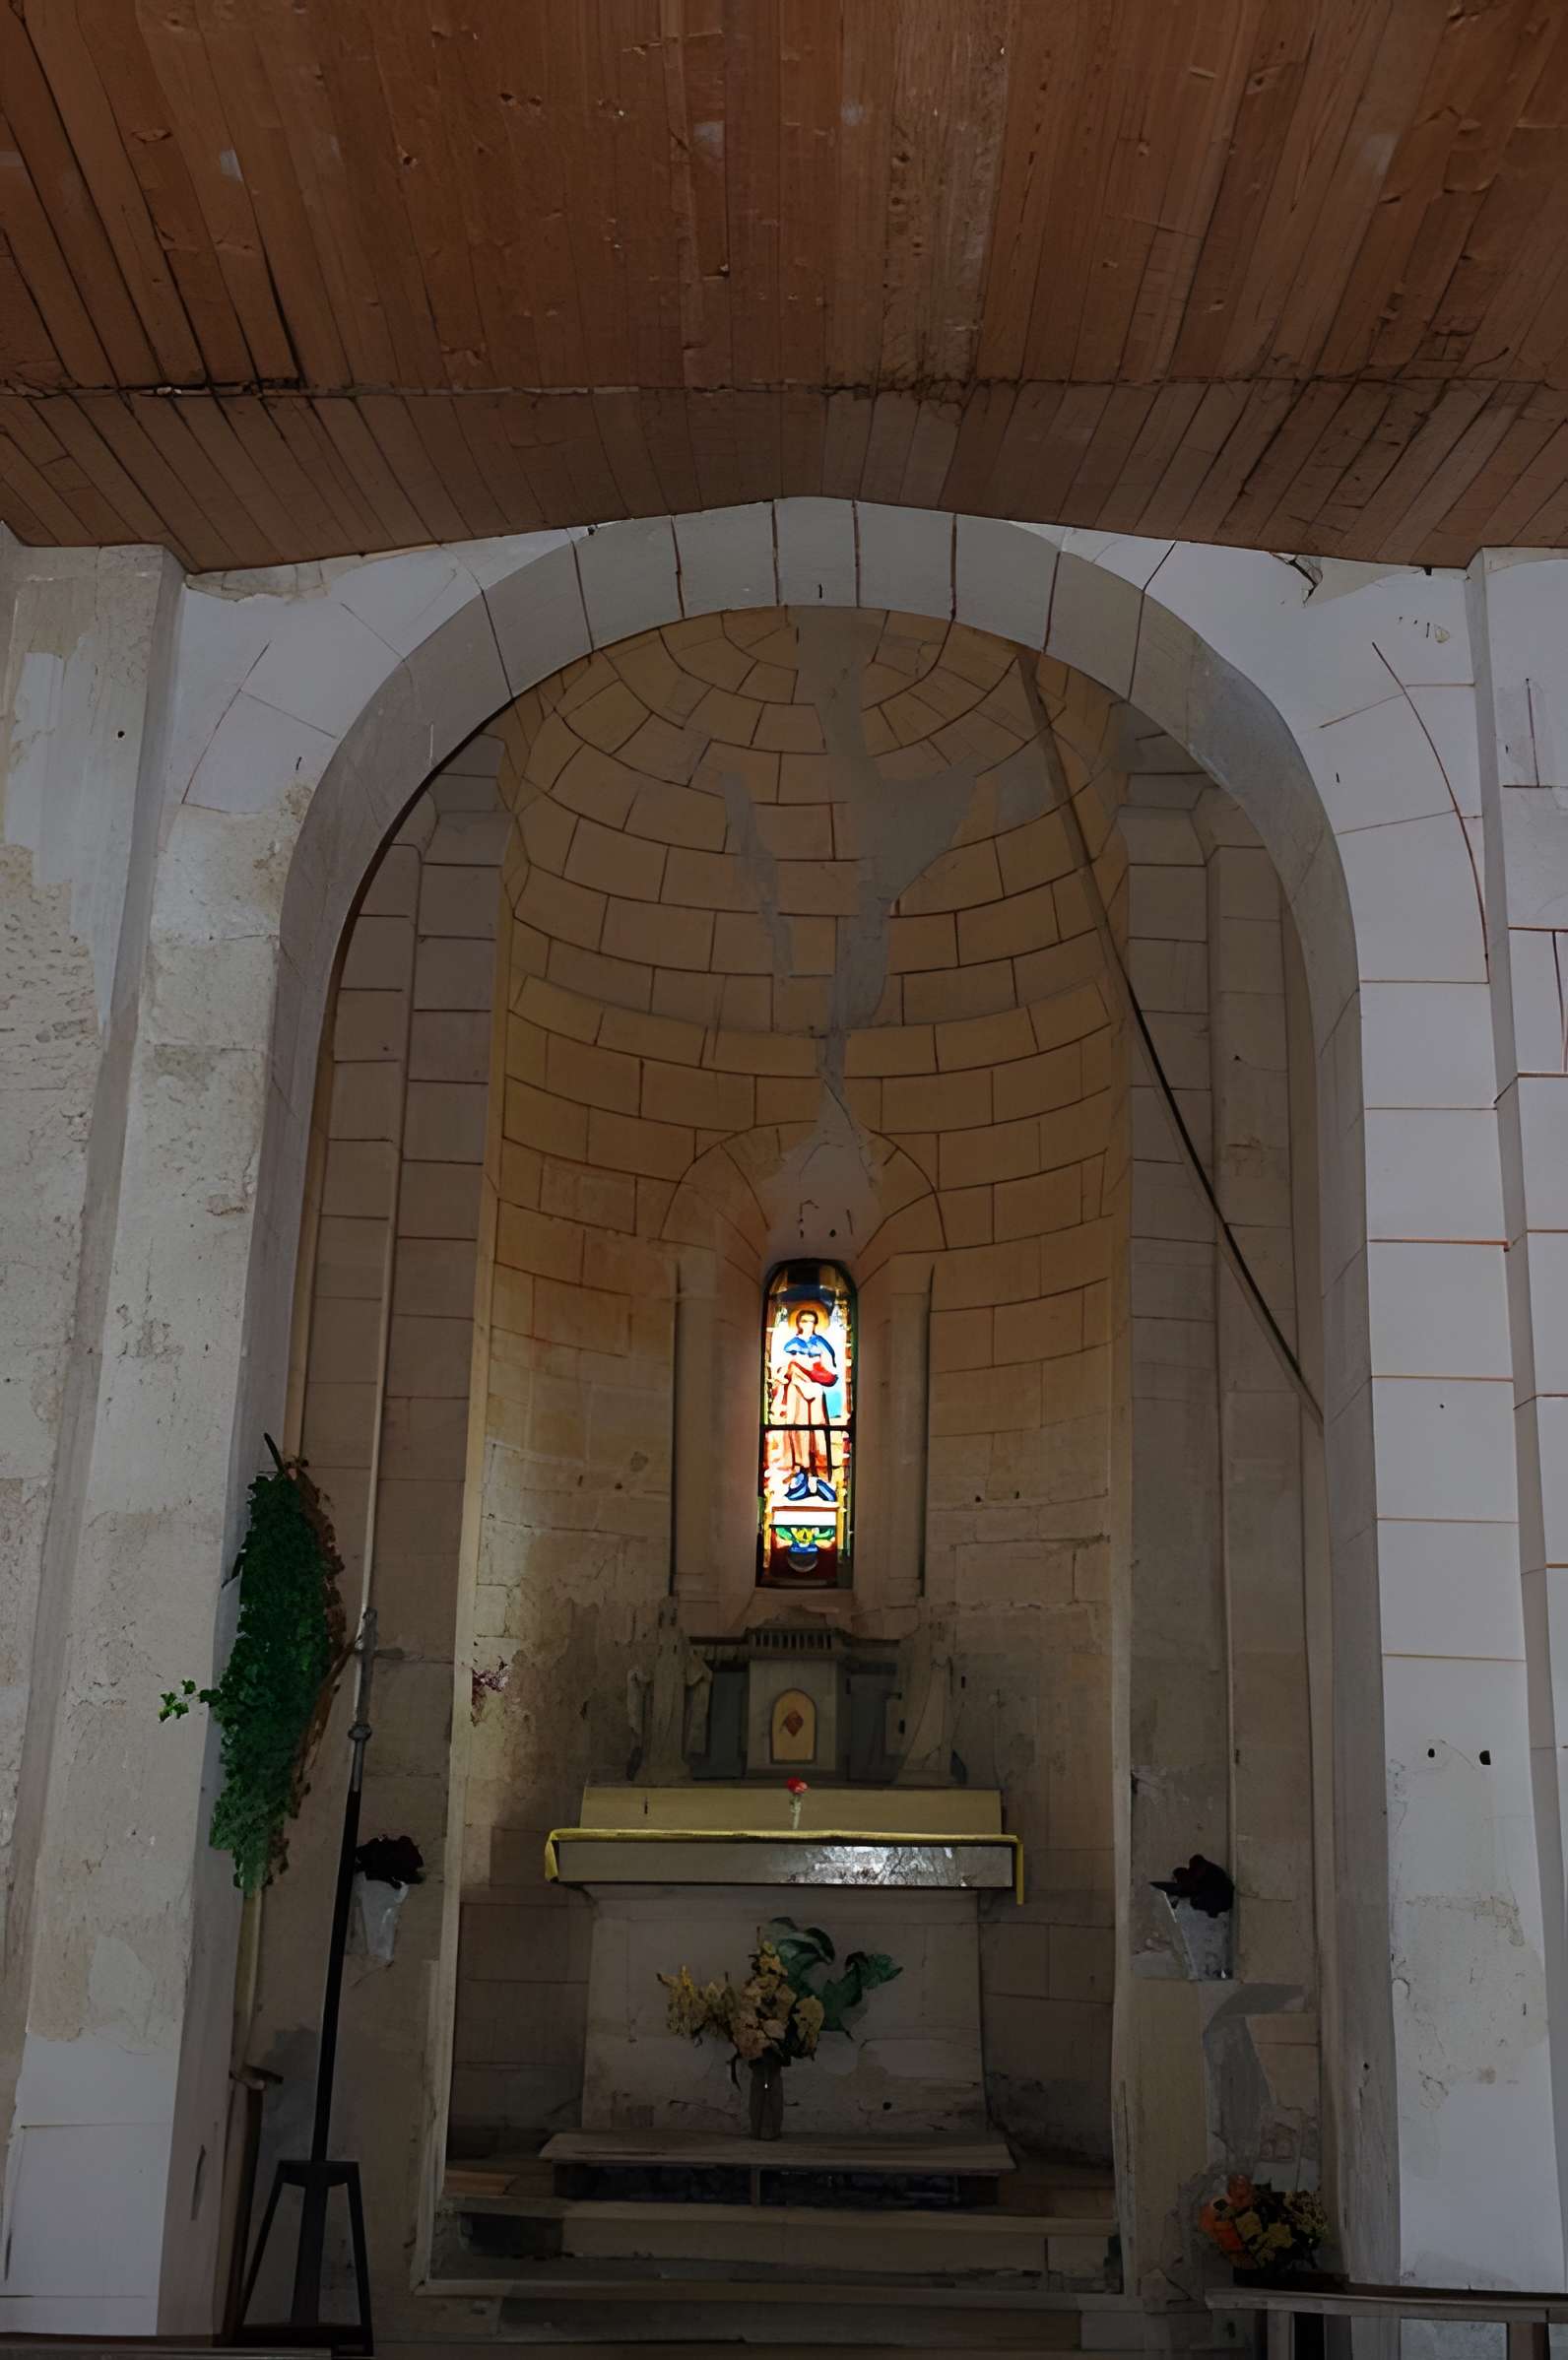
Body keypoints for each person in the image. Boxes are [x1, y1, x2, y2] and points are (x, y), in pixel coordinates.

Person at [770, 1303, 839, 1504]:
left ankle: (819, 1474)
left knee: (817, 1431)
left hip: (816, 1393)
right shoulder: (791, 1344)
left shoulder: (822, 1344)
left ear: (816, 1323)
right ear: (798, 1323)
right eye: (803, 1321)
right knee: (799, 1431)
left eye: (811, 1321)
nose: (807, 1324)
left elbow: (831, 1370)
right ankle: (799, 1471)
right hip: (796, 1392)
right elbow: (781, 1369)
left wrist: (814, 1369)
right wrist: (791, 1369)